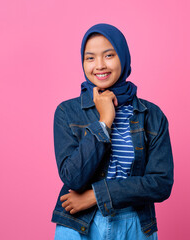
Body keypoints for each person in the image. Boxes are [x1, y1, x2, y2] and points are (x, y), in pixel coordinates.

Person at [52, 23, 174, 240]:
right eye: (90, 58)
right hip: (80, 225)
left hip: (135, 225)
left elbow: (160, 183)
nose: (99, 65)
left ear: (123, 58)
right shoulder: (67, 112)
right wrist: (104, 121)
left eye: (109, 55)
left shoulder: (152, 116)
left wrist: (97, 196)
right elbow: (72, 177)